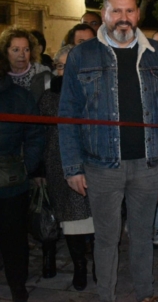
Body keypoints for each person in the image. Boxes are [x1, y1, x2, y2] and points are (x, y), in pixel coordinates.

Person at [58, 0, 158, 302]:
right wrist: (72, 167)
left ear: (138, 13)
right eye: (116, 11)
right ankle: (106, 296)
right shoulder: (82, 56)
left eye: (130, 10)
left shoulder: (157, 53)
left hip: (148, 164)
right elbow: (68, 113)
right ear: (104, 15)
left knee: (142, 237)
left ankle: (145, 294)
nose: (124, 18)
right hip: (100, 166)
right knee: (107, 239)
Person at [39, 45, 95, 291]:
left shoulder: (94, 93)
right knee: (72, 222)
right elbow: (40, 135)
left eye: (70, 64)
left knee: (97, 219)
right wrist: (39, 169)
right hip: (59, 165)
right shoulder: (49, 97)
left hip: (94, 163)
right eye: (60, 66)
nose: (65, 70)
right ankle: (79, 266)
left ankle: (98, 265)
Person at [0, 49, 45, 302]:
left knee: (14, 237)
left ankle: (18, 285)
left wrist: (26, 167)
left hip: (10, 183)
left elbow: (35, 135)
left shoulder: (19, 96)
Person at [0, 26, 51, 102]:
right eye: (16, 50)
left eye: (26, 49)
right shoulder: (2, 77)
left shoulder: (43, 75)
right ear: (5, 52)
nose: (22, 54)